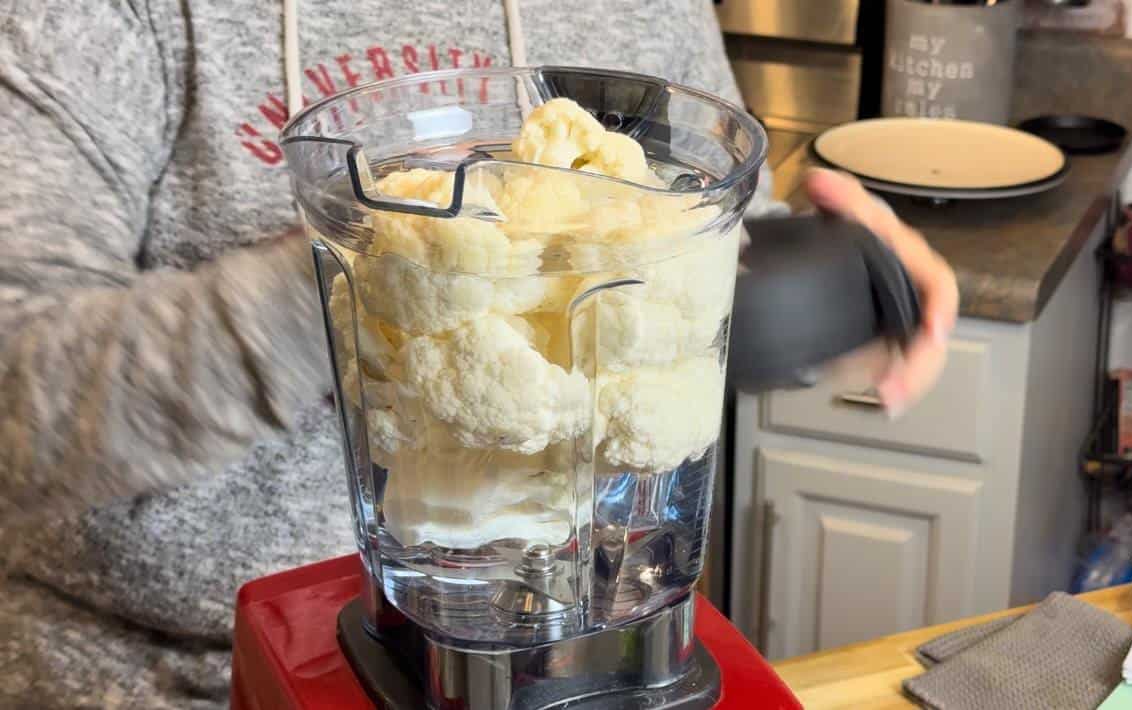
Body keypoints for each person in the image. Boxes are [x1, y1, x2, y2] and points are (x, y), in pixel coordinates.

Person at [0, 1, 957, 706]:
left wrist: (827, 286)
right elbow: (14, 403)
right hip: (163, 673)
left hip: (601, 646)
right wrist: (387, 265)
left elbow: (671, 279)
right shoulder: (103, 20)